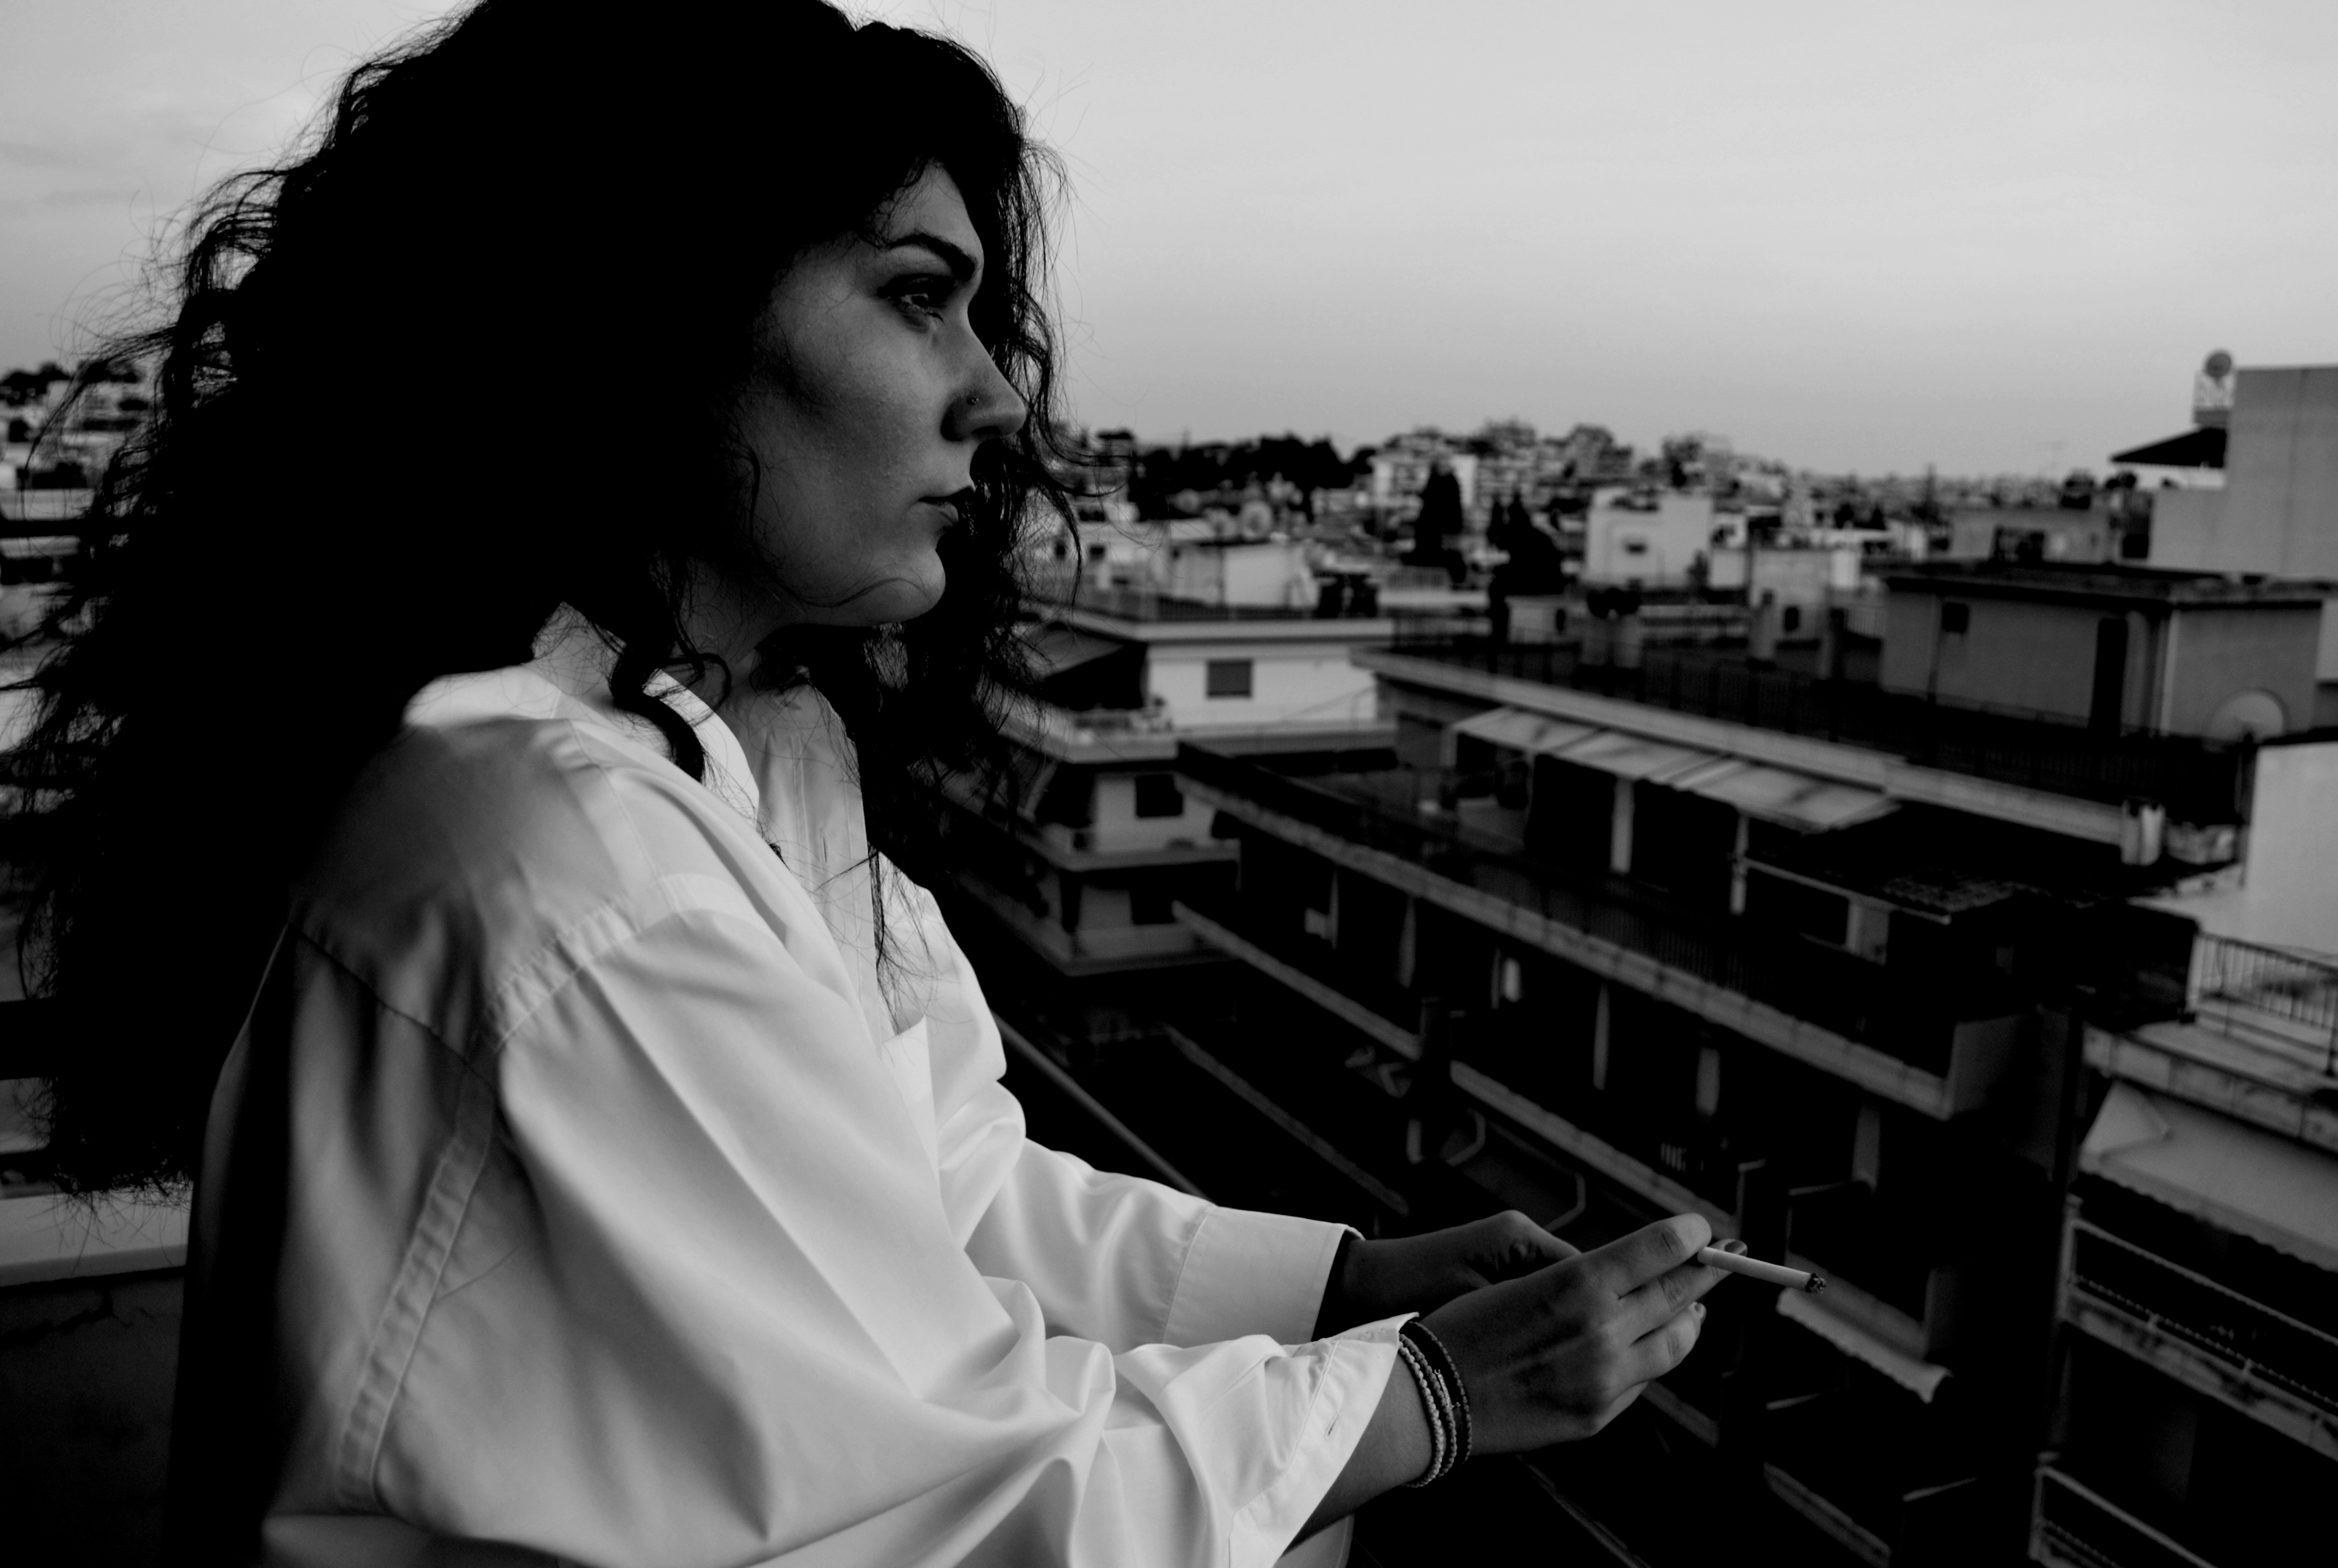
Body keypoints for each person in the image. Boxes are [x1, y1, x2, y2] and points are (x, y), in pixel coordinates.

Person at [4, 4, 1725, 1563]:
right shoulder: (578, 858)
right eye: (915, 295)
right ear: (653, 318)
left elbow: (932, 1188)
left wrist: (1346, 1282)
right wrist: (1430, 1394)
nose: (999, 395)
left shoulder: (751, 755)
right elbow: (944, 1511)